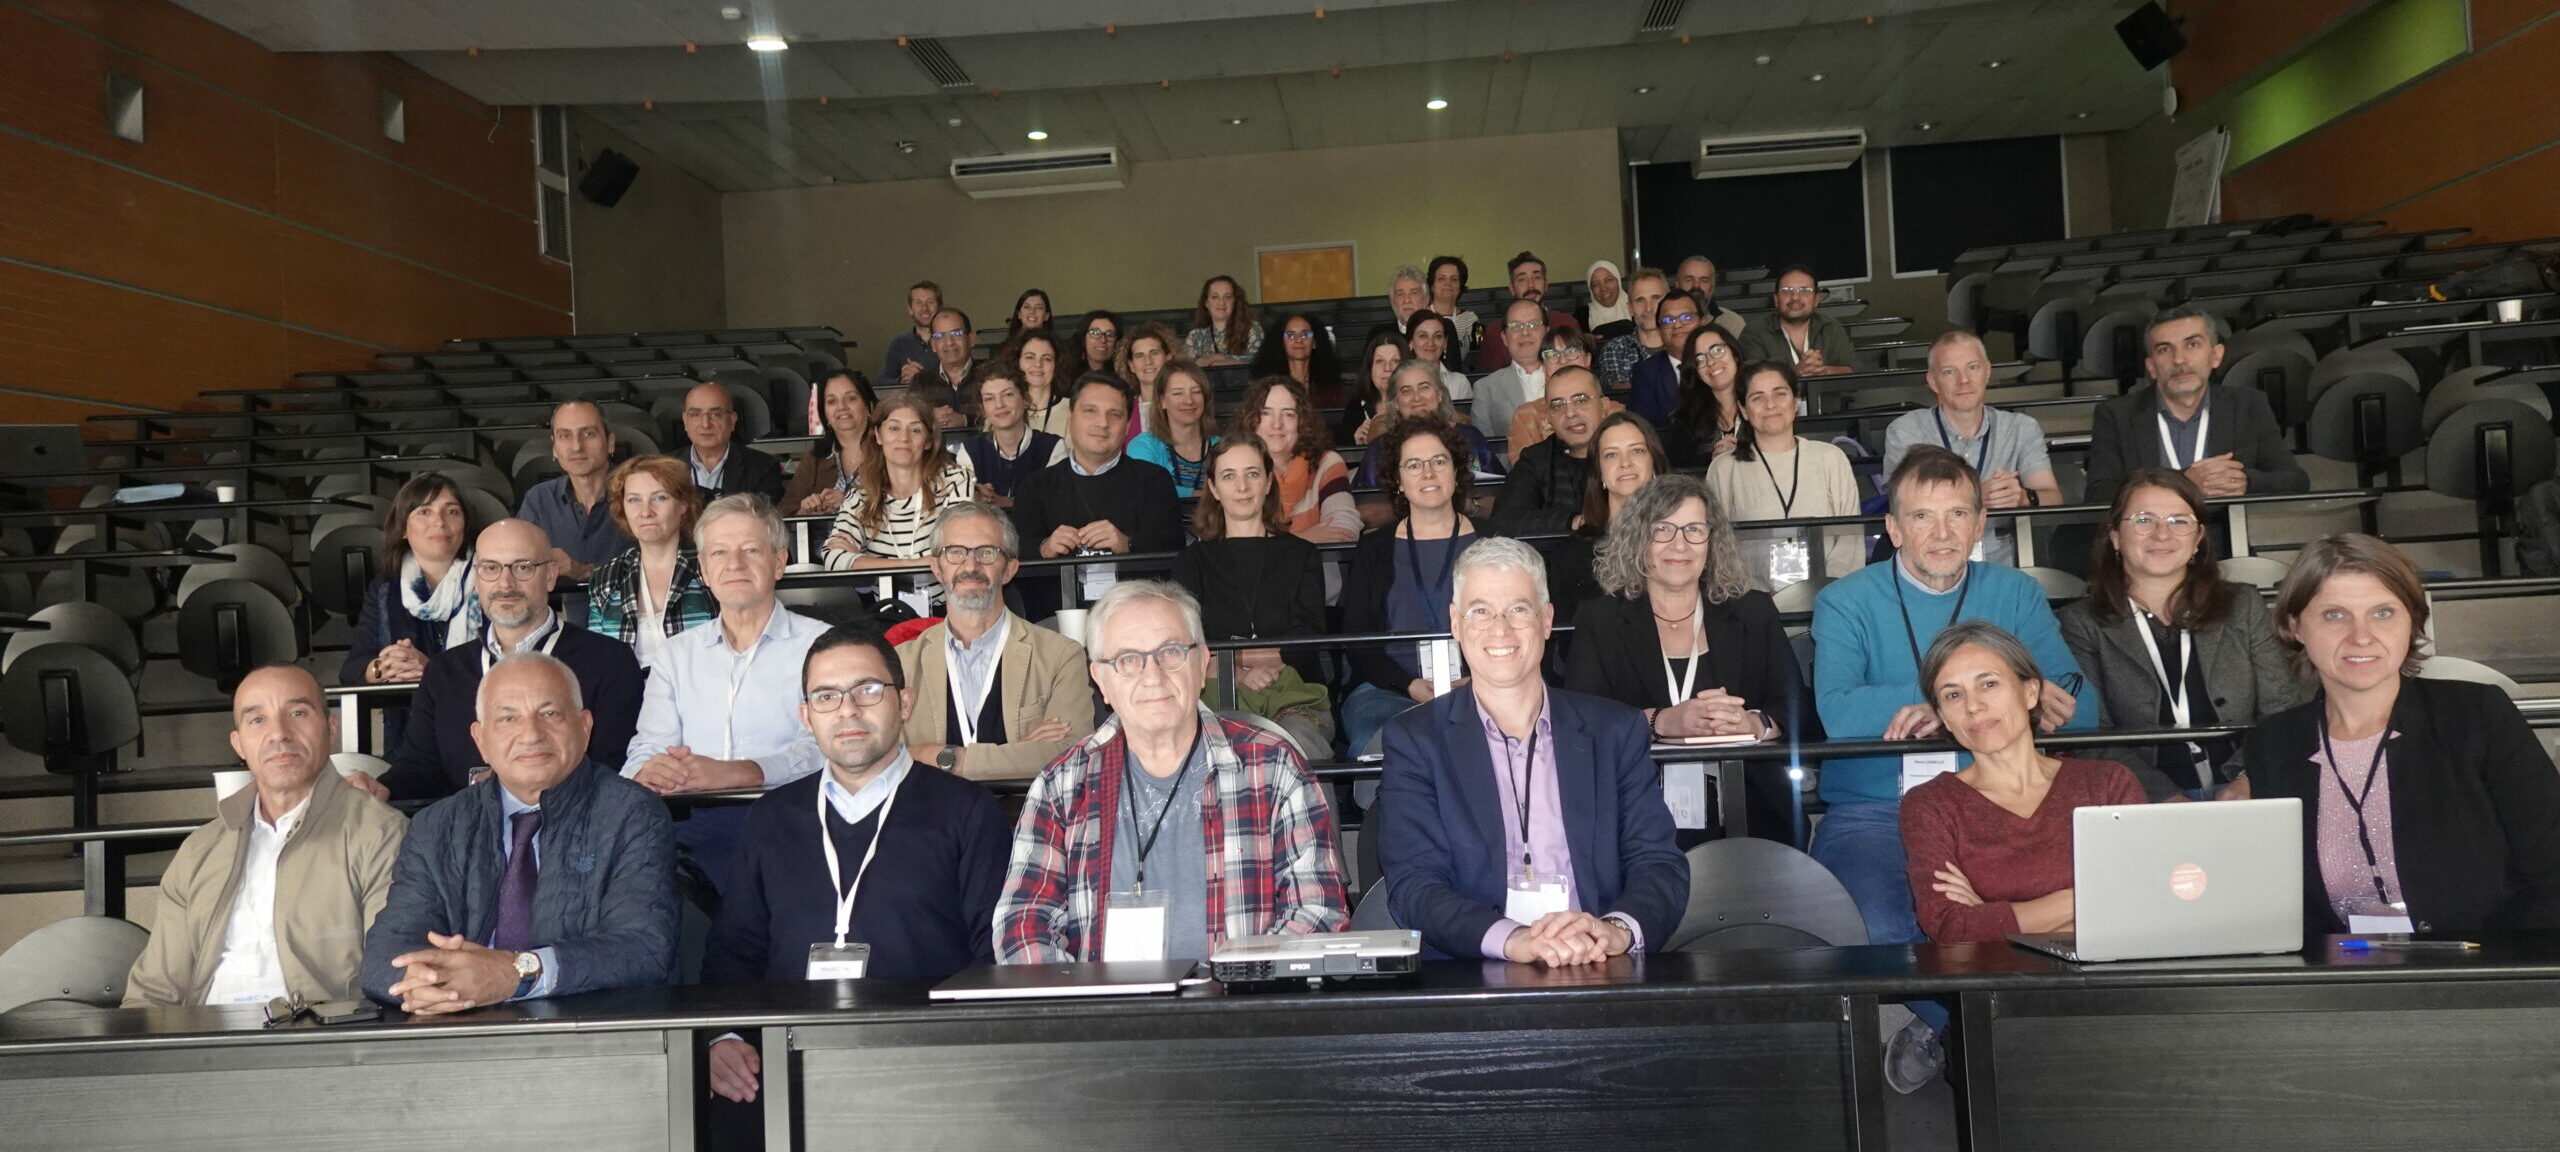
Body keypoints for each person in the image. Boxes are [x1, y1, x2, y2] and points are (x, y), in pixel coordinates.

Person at [702, 626, 1009, 1118]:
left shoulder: (967, 811)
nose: (847, 710)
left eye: (867, 689)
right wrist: (726, 1036)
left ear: (904, 702)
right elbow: (735, 947)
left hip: (928, 1070)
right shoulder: (770, 817)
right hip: (785, 1068)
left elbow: (993, 953)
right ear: (806, 717)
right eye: (826, 696)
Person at [1808, 447, 2098, 953]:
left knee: (2047, 919)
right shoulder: (1844, 601)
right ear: (1894, 529)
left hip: (1997, 801)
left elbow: (2082, 708)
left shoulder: (2016, 592)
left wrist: (1943, 707)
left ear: (1979, 524)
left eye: (1958, 514)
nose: (1942, 534)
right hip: (1878, 809)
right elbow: (1839, 714)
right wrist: (1969, 699)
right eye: (1922, 516)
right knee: (1882, 930)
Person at [993, 580, 1349, 962]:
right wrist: (1092, 997)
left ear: (1202, 663)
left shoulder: (1275, 768)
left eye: (1171, 652)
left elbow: (1318, 913)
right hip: (1101, 1000)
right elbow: (1022, 927)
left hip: (1236, 997)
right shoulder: (1060, 786)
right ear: (1101, 680)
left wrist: (1234, 987)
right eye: (1128, 659)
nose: (1153, 675)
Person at [1378, 537, 1689, 963]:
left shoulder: (1614, 731)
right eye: (1480, 611)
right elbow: (1414, 884)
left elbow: (1659, 864)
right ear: (1455, 623)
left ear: (1546, 620)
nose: (1500, 629)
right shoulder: (1415, 740)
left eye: (1518, 609)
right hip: (1474, 973)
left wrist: (1614, 931)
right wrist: (1515, 940)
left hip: (1597, 963)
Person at [2240, 533, 2560, 935]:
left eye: (2383, 613)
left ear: (2412, 622)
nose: (2361, 636)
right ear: (2295, 626)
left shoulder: (2477, 714)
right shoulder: (2273, 743)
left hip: (2488, 963)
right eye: (2334, 615)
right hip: (2343, 970)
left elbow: (2552, 871)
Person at [361, 653, 678, 1011]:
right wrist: (429, 983)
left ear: (585, 727)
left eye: (550, 714)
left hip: (588, 1030)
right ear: (480, 739)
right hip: (460, 1027)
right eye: (508, 718)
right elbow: (385, 954)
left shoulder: (632, 813)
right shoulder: (436, 827)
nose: (531, 734)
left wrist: (515, 973)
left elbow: (642, 948)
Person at [123, 665, 403, 1007]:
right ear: (238, 744)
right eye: (257, 720)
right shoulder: (201, 849)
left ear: (331, 728)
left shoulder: (379, 833)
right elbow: (153, 992)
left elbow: (392, 975)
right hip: (206, 1031)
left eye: (297, 713)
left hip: (320, 1032)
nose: (279, 734)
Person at [1567, 474, 1813, 842]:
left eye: (1694, 530)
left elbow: (1798, 708)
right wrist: (1661, 721)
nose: (1679, 544)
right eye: (1662, 529)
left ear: (1712, 541)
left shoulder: (1752, 611)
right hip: (1635, 808)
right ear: (1638, 539)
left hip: (1750, 803)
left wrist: (1756, 724)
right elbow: (1582, 724)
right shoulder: (1599, 620)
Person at [624, 494, 842, 896]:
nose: (735, 564)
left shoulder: (823, 647)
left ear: (779, 562)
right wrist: (649, 772)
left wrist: (738, 773)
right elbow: (647, 747)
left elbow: (827, 751)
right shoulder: (675, 654)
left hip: (793, 821)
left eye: (751, 550)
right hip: (689, 828)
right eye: (720, 552)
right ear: (704, 570)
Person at [2058, 468, 2309, 801]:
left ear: (2198, 537)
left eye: (2179, 521)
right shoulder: (2081, 623)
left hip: (2247, 789)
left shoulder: (2243, 605)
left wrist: (2247, 777)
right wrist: (2164, 798)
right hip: (2141, 799)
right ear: (2115, 536)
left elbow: (2282, 711)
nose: (2162, 534)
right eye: (2144, 520)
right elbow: (2092, 738)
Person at [1902, 621, 2146, 945]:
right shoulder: (1930, 804)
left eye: (1988, 684)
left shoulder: (2108, 783)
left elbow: (2142, 899)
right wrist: (2085, 899)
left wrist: (1993, 916)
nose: (1973, 706)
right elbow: (1950, 927)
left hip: (2109, 969)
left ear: (2031, 693)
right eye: (1953, 695)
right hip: (2002, 977)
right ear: (1944, 717)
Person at [382, 520, 646, 802]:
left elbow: (616, 767)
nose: (505, 584)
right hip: (469, 826)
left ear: (550, 575)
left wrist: (519, 788)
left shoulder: (609, 661)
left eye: (522, 567)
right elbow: (418, 769)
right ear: (476, 579)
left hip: (577, 823)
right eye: (491, 568)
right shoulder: (444, 671)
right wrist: (379, 788)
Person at [895, 503, 1097, 781]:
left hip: (1025, 810)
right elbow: (885, 759)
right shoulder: (900, 663)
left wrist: (949, 759)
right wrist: (1018, 753)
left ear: (1010, 570)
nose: (970, 566)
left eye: (986, 553)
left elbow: (1073, 752)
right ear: (936, 569)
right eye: (955, 552)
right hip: (928, 810)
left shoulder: (1061, 656)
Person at [1174, 438, 1333, 757]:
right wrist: (1242, 670)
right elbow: (1185, 644)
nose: (1242, 487)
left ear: (1269, 482)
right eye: (1229, 476)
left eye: (1253, 474)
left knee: (1294, 744)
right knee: (1208, 750)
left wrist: (1231, 657)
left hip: (1293, 694)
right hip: (1213, 696)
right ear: (1214, 488)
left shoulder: (1302, 554)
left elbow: (1308, 638)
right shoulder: (1191, 562)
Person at [1339, 417, 1480, 757]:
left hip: (1482, 687)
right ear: (1398, 480)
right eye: (1414, 465)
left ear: (1456, 471)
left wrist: (1479, 681)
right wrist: (1409, 684)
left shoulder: (1494, 541)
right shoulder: (1374, 549)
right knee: (1391, 742)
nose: (1428, 473)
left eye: (1439, 461)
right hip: (1386, 691)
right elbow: (1357, 637)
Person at [2083, 304, 2310, 505]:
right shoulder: (2117, 414)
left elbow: (2295, 480)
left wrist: (2245, 482)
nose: (2179, 359)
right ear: (2151, 367)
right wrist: (2183, 482)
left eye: (2192, 345)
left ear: (2216, 356)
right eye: (2164, 349)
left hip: (2228, 531)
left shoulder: (2248, 405)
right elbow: (2099, 494)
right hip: (2152, 534)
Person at [1881, 332, 2063, 566]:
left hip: (2006, 564)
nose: (1964, 380)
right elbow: (1900, 506)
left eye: (1973, 368)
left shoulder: (2021, 428)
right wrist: (1974, 497)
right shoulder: (1907, 430)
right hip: (1933, 560)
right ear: (1933, 381)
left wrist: (2024, 497)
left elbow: (2053, 498)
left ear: (1987, 372)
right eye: (1949, 372)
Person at [1011, 373, 1183, 619]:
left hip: (1137, 616)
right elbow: (1015, 550)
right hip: (1056, 619)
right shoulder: (1036, 485)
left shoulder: (1154, 480)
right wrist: (1044, 548)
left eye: (1114, 414)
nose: (1102, 423)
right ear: (1070, 418)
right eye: (1090, 411)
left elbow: (1174, 547)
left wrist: (1128, 544)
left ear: (1127, 426)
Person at [1706, 361, 1866, 587]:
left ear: (1796, 401)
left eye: (1780, 394)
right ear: (1743, 410)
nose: (1770, 404)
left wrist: (1824, 591)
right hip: (1751, 598)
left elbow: (1851, 541)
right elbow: (1718, 546)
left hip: (1829, 594)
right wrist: (1752, 596)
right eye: (1757, 398)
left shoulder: (1830, 458)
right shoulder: (1724, 468)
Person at [344, 472, 481, 691]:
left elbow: (506, 663)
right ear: (402, 529)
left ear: (465, 524)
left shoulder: (493, 580)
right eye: (424, 512)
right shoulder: (384, 589)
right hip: (410, 708)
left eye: (452, 511)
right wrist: (387, 666)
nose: (439, 522)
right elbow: (352, 670)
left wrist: (431, 670)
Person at [588, 455, 718, 670]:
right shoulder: (607, 576)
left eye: (659, 498)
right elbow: (596, 659)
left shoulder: (711, 567)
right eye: (634, 500)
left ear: (683, 505)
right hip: (628, 691)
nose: (646, 512)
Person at [820, 393, 977, 571]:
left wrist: (864, 561)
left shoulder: (955, 481)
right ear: (878, 436)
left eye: (915, 430)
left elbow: (958, 554)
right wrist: (909, 565)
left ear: (927, 441)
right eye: (894, 428)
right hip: (884, 591)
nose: (904, 438)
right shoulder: (860, 497)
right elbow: (833, 559)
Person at [1547, 410, 1666, 618]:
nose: (1625, 462)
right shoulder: (1569, 556)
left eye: (1637, 451)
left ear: (1654, 462)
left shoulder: (1685, 540)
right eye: (1611, 454)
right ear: (1599, 472)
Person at [516, 399, 629, 581]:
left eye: (589, 434)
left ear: (610, 442)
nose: (577, 447)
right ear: (554, 448)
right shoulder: (539, 500)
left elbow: (660, 567)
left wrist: (585, 572)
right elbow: (519, 569)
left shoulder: (640, 494)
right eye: (565, 436)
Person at [1240, 375, 1359, 544]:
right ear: (1252, 420)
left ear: (1302, 421)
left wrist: (1271, 546)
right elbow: (1236, 544)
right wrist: (1306, 537)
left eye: (1288, 414)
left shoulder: (1326, 463)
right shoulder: (1237, 469)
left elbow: (1344, 529)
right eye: (1266, 413)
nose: (1276, 424)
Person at [1490, 365, 1605, 536]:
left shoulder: (1629, 450)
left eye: (1580, 400)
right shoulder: (1536, 460)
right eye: (1557, 405)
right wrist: (1572, 522)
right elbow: (1504, 521)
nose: (1570, 413)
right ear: (1549, 417)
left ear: (1603, 405)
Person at [1353, 360, 1502, 486]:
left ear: (1439, 394)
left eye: (1424, 387)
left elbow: (1498, 491)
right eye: (1406, 391)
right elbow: (1366, 504)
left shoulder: (1470, 438)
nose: (1417, 397)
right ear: (1396, 403)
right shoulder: (1380, 449)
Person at [959, 361, 1065, 510]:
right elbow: (961, 509)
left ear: (1026, 399)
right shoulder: (970, 449)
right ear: (982, 409)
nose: (999, 405)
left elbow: (1057, 506)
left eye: (1008, 394)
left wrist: (1007, 502)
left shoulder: (1053, 448)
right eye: (989, 398)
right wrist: (974, 496)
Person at [779, 370, 875, 517]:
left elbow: (901, 505)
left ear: (869, 406)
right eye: (831, 401)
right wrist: (804, 511)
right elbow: (783, 512)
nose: (841, 407)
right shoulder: (813, 460)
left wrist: (849, 501)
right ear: (824, 413)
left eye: (850, 398)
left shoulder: (889, 452)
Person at [679, 381, 787, 504]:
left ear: (732, 420)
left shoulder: (763, 468)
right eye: (695, 414)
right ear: (685, 421)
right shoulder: (664, 468)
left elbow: (763, 514)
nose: (705, 424)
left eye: (716, 414)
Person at [1739, 265, 1857, 376]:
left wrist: (1824, 371)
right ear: (1776, 300)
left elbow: (1853, 369)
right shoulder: (1755, 332)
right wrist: (1795, 372)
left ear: (1816, 300)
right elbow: (1752, 379)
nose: (1795, 297)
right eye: (1786, 290)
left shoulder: (1830, 326)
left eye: (1805, 291)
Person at [1126, 360, 1218, 499]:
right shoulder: (1143, 445)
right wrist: (1199, 495)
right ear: (1162, 401)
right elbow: (1146, 487)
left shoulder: (1221, 447)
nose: (1189, 401)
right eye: (1177, 393)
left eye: (1196, 392)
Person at [1472, 252, 1578, 369]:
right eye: (1522, 279)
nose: (1531, 285)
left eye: (1536, 277)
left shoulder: (1567, 324)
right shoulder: (1495, 332)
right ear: (1512, 289)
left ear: (1546, 284)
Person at [1472, 298, 1548, 459]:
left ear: (1547, 332)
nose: (1525, 332)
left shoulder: (1569, 379)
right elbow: (1486, 452)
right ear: (1505, 338)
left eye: (1533, 324)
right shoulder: (1486, 388)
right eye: (1515, 326)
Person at [1662, 322, 1744, 467]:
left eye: (1717, 350)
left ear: (1735, 355)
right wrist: (1712, 461)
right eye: (1700, 359)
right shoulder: (1686, 418)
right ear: (1696, 373)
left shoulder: (1762, 404)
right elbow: (1679, 470)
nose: (1711, 362)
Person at [1626, 288, 1706, 431]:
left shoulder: (1719, 362)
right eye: (1668, 320)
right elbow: (1645, 429)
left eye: (1686, 317)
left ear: (1702, 322)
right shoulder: (1646, 372)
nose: (1677, 325)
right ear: (1660, 330)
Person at [1248, 313, 1346, 408]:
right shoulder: (1268, 386)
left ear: (1314, 342)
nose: (1298, 340)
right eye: (1290, 335)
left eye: (1305, 334)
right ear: (1281, 343)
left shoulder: (1329, 386)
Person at [1596, 267, 1668, 389]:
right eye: (1640, 300)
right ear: (1630, 308)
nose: (1648, 308)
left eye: (1656, 298)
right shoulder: (1615, 349)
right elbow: (1622, 394)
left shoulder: (1685, 345)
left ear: (1669, 303)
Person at [1338, 328, 1409, 446]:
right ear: (1370, 369)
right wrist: (1357, 446)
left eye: (1395, 361)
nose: (1387, 368)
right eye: (1380, 361)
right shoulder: (1355, 408)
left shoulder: (1416, 403)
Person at [1114, 321, 1181, 443]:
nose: (1148, 361)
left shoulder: (1184, 403)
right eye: (1139, 356)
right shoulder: (1123, 409)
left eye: (1154, 353)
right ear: (1131, 366)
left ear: (1168, 358)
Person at [1183, 274, 1262, 366]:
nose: (1221, 302)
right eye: (1215, 297)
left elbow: (1257, 363)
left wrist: (1217, 358)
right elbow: (1186, 367)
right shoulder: (1195, 336)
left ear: (1235, 301)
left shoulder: (1252, 330)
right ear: (1206, 303)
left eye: (1227, 297)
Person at [879, 280, 943, 392]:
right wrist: (902, 379)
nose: (924, 308)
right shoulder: (898, 343)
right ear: (910, 310)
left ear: (940, 307)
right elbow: (882, 383)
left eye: (930, 302)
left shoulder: (950, 341)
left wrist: (920, 378)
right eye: (918, 303)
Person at [1009, 330, 1072, 440]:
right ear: (1017, 362)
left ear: (1057, 365)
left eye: (1047, 359)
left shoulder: (1072, 411)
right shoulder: (1002, 408)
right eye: (1030, 357)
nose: (1038, 364)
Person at [1673, 255, 1749, 339]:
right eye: (1689, 280)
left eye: (1704, 280)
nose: (1696, 286)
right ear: (1677, 285)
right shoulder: (1666, 322)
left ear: (1712, 287)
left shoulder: (1731, 323)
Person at [1402, 312, 1473, 400]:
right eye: (1423, 336)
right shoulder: (1400, 382)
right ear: (1410, 342)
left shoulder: (1459, 383)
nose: (1430, 343)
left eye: (1438, 336)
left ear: (1445, 342)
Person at [922, 307, 979, 414]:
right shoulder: (921, 382)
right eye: (940, 336)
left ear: (971, 339)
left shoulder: (990, 376)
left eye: (957, 334)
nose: (949, 342)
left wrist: (965, 420)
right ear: (933, 345)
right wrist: (932, 419)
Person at [1426, 255, 1480, 364]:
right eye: (1441, 279)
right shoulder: (1420, 317)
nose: (1448, 283)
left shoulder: (1470, 319)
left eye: (1454, 279)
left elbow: (1477, 352)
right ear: (1432, 285)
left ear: (1460, 286)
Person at [1578, 259, 1634, 340]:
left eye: (1608, 280)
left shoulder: (1636, 308)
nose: (1603, 288)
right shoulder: (1581, 316)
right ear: (1591, 289)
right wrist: (1582, 341)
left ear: (1618, 281)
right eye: (1596, 284)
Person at [1379, 264, 1433, 339]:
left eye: (1414, 293)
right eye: (1400, 294)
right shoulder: (1380, 335)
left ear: (1426, 300)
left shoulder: (1440, 331)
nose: (1407, 300)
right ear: (1392, 301)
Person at [1067, 308, 1120, 382]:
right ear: (1083, 338)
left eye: (1110, 334)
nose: (1103, 340)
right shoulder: (1068, 376)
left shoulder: (1122, 375)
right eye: (1095, 333)